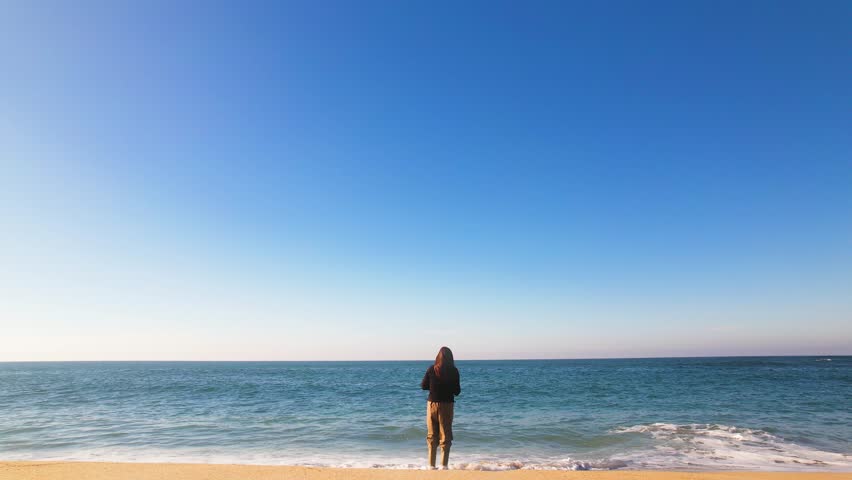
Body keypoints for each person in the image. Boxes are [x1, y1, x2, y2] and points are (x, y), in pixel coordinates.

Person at [420, 346, 461, 469]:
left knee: (432, 435)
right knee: (445, 435)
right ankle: (443, 465)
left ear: (437, 357)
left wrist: (434, 387)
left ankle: (431, 465)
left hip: (432, 404)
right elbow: (457, 391)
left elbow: (423, 386)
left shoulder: (431, 369)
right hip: (447, 405)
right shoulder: (454, 371)